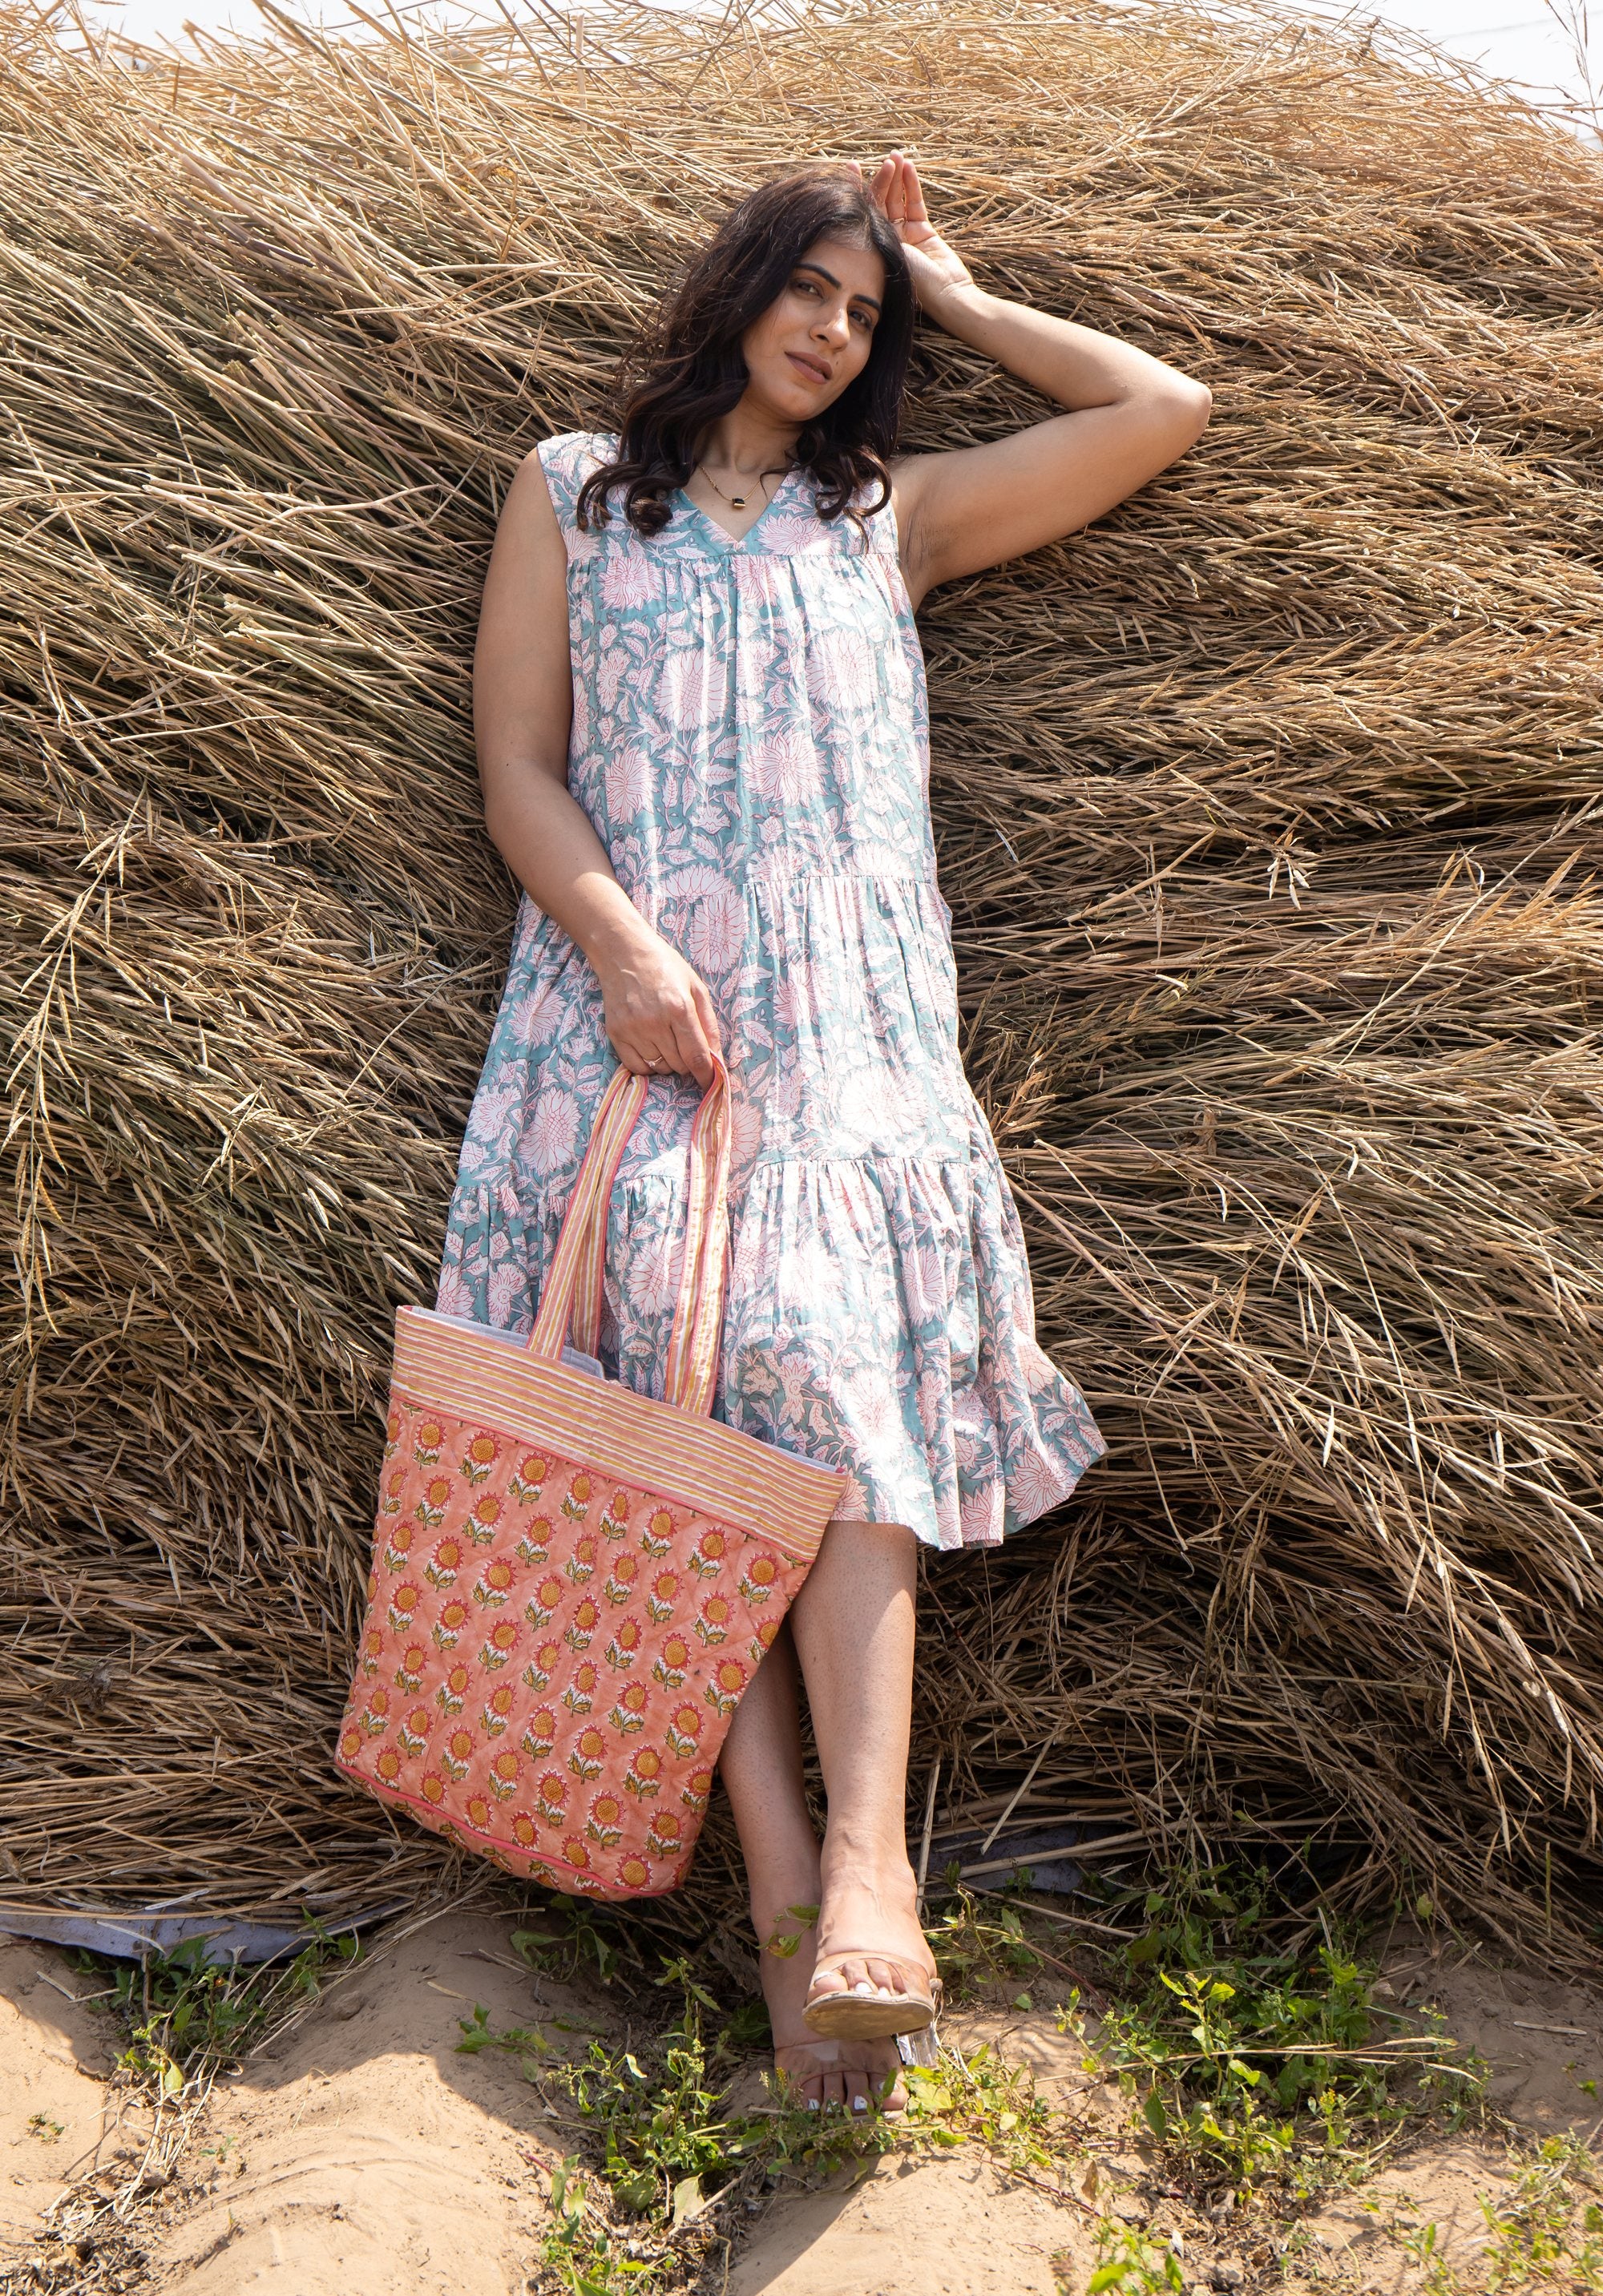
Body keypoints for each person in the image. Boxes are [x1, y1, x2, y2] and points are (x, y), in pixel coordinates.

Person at [442, 151, 1209, 2116]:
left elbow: (1158, 409)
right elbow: (518, 760)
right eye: (811, 287)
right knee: (675, 1437)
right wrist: (616, 944)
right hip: (623, 1028)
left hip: (850, 1032)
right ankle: (797, 1917)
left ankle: (870, 1862)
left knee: (820, 1366)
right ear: (737, 288)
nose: (830, 328)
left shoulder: (891, 517)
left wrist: (954, 293)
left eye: (861, 312)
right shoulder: (565, 494)